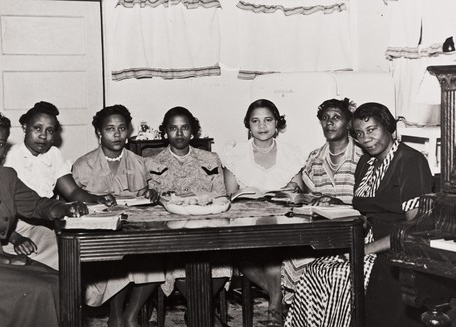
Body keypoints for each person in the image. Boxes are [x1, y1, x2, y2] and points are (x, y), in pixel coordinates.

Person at [284, 102, 432, 327]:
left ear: (389, 127)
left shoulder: (410, 161)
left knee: (338, 276)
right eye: (360, 134)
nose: (365, 139)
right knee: (313, 271)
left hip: (395, 247)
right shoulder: (365, 162)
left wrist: (366, 250)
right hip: (365, 238)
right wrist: (335, 205)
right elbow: (364, 213)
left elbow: (415, 227)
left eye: (372, 130)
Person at [0, 111, 88, 327]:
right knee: (39, 290)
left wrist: (65, 207)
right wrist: (5, 260)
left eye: (0, 143)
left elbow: (36, 204)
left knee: (63, 282)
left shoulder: (6, 176)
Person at [72, 104, 162, 327]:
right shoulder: (82, 165)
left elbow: (144, 196)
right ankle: (116, 315)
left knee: (155, 255)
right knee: (119, 255)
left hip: (133, 230)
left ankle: (131, 314)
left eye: (122, 128)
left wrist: (150, 193)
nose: (117, 134)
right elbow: (72, 204)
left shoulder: (138, 162)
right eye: (110, 129)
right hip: (99, 234)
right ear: (99, 133)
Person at [3, 101, 115, 270]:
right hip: (13, 227)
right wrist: (14, 237)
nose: (43, 136)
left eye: (49, 130)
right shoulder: (8, 157)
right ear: (25, 127)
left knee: (80, 258)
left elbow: (72, 191)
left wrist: (97, 198)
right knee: (65, 263)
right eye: (37, 128)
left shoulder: (54, 154)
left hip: (44, 223)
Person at [221, 99, 304, 327]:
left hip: (284, 221)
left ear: (277, 123)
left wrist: (293, 190)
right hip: (246, 221)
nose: (262, 126)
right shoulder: (234, 154)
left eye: (268, 120)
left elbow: (298, 192)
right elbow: (231, 195)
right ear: (248, 124)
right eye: (255, 121)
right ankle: (281, 297)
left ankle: (275, 306)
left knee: (274, 246)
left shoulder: (291, 153)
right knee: (245, 254)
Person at [145, 106, 230, 327]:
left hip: (209, 227)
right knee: (178, 266)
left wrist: (194, 197)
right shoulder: (152, 163)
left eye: (185, 128)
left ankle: (196, 312)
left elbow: (221, 194)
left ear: (193, 132)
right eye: (173, 128)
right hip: (173, 231)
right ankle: (203, 314)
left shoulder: (210, 158)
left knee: (222, 265)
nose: (179, 134)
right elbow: (153, 201)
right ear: (165, 132)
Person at [281, 98, 363, 302]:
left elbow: (370, 205)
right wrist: (296, 193)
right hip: (320, 233)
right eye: (325, 118)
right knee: (291, 259)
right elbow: (309, 199)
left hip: (354, 231)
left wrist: (339, 204)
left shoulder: (364, 156)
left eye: (336, 117)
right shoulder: (314, 158)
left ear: (349, 123)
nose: (329, 123)